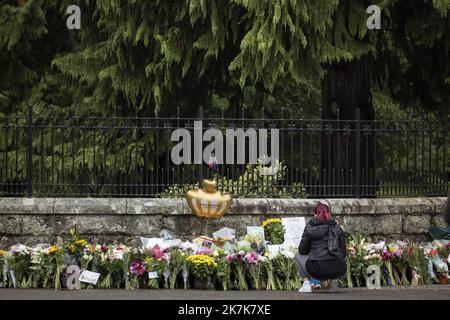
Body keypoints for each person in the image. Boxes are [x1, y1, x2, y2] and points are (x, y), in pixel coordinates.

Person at [295, 203, 347, 293]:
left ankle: (306, 283)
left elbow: (302, 250)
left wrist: (311, 250)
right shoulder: (337, 227)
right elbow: (343, 252)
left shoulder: (309, 227)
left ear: (315, 214)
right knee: (336, 257)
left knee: (298, 255)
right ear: (329, 213)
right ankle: (333, 282)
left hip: (317, 270)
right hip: (339, 269)